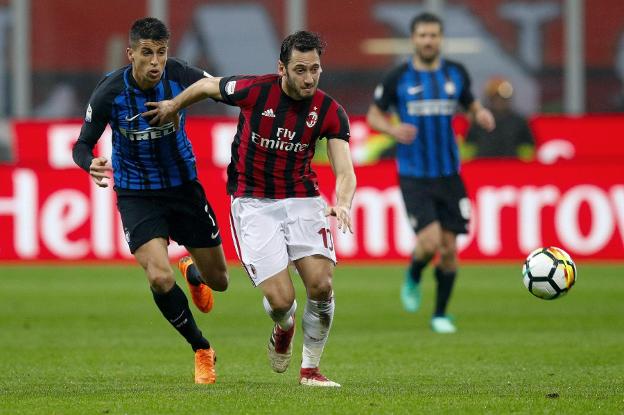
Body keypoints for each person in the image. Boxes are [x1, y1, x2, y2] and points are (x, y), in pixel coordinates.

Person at [144, 31, 356, 387]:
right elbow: (208, 86)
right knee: (281, 301)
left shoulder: (330, 111)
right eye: (300, 69)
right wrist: (173, 106)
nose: (308, 78)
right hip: (253, 202)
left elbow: (345, 170)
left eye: (315, 70)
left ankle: (310, 371)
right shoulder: (255, 91)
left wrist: (343, 202)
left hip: (302, 199)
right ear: (282, 69)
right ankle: (283, 328)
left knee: (321, 285)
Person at [72, 17, 229, 384]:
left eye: (161, 52)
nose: (155, 61)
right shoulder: (110, 92)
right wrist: (88, 163)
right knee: (159, 276)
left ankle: (192, 270)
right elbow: (82, 143)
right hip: (136, 193)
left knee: (219, 281)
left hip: (183, 187)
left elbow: (219, 88)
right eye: (147, 53)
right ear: (131, 54)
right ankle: (201, 348)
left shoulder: (180, 75)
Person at [366, 12, 495, 334]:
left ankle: (440, 314)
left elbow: (471, 103)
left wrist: (481, 114)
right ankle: (414, 273)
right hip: (414, 174)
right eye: (422, 35)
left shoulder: (455, 73)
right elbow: (373, 116)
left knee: (450, 248)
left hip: (450, 173)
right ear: (413, 39)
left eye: (433, 35)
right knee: (429, 242)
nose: (428, 40)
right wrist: (393, 130)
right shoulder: (398, 77)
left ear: (440, 38)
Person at [463, 77, 535, 160]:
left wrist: (521, 164)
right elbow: (468, 148)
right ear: (490, 98)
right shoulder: (479, 120)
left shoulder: (519, 121)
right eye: (496, 97)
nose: (500, 101)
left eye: (504, 98)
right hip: (484, 168)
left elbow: (528, 149)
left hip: (511, 169)